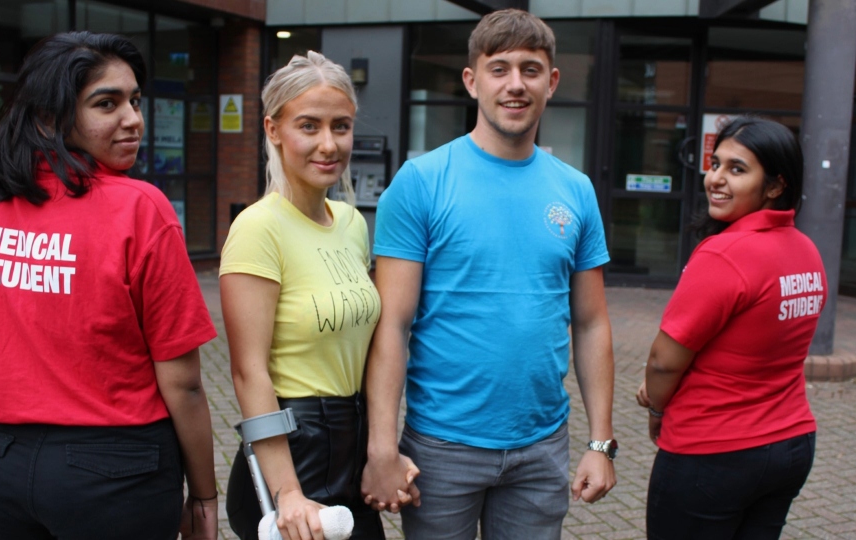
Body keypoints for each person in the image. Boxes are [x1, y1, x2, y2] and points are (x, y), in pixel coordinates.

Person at [0, 32, 218, 540]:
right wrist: (203, 496)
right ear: (49, 117)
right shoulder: (141, 208)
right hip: (117, 473)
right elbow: (183, 382)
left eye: (135, 100)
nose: (133, 119)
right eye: (106, 103)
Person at [361, 9, 617, 539]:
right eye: (499, 68)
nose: (516, 84)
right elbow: (391, 325)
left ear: (552, 81)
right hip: (440, 448)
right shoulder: (422, 182)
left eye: (531, 68)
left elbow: (591, 324)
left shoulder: (576, 190)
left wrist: (600, 443)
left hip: (541, 449)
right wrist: (382, 448)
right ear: (472, 81)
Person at [219, 50, 413, 540]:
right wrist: (286, 491)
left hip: (351, 441)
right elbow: (248, 372)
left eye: (340, 126)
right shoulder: (257, 228)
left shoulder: (351, 223)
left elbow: (368, 345)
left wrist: (381, 450)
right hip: (291, 455)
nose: (329, 144)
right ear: (273, 129)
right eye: (309, 126)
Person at [637, 116, 824, 539]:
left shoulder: (724, 254)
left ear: (776, 185)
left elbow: (663, 363)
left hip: (713, 452)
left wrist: (657, 408)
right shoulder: (807, 251)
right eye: (715, 163)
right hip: (790, 447)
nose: (716, 179)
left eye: (737, 169)